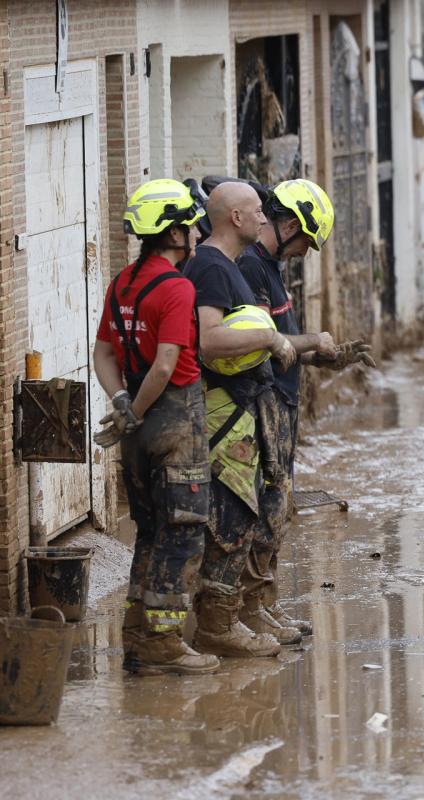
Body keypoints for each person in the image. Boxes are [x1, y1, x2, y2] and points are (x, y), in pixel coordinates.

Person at [238, 178, 371, 646]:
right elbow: (262, 346)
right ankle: (249, 609)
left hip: (284, 402)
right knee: (266, 508)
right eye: (307, 242)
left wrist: (328, 355)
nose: (307, 252)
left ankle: (263, 604)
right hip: (264, 402)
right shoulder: (250, 267)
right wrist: (314, 341)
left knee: (278, 509)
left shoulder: (269, 267)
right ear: (290, 223)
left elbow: (283, 344)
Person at [92, 179, 216, 675]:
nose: (193, 234)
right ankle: (164, 640)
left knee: (148, 530)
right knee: (183, 532)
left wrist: (123, 404)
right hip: (173, 421)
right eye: (189, 226)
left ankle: (137, 635)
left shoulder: (122, 282)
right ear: (175, 233)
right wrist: (140, 408)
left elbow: (103, 353)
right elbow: (167, 364)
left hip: (137, 430)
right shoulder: (178, 288)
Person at [184, 181, 297, 660]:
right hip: (222, 413)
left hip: (238, 408)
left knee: (244, 513)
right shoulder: (211, 267)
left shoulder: (223, 266)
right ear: (234, 218)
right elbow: (209, 341)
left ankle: (228, 618)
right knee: (230, 518)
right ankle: (217, 626)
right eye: (256, 212)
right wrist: (269, 340)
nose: (263, 219)